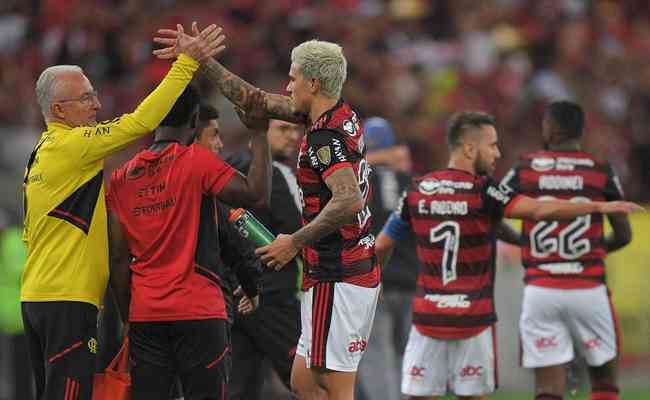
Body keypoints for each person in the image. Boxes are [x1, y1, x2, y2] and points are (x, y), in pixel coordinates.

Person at [154, 29, 382, 399]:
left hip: (339, 271)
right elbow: (255, 101)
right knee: (303, 383)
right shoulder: (340, 115)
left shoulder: (324, 136)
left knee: (333, 383)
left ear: (313, 82)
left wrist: (294, 241)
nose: (287, 86)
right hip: (335, 268)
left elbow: (348, 199)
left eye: (292, 78)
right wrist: (200, 60)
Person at [374, 111, 642, 400]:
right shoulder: (485, 191)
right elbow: (539, 210)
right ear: (469, 148)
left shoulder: (416, 190)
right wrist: (597, 208)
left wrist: (374, 282)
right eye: (492, 145)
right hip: (471, 322)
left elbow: (380, 247)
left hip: (427, 319)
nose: (497, 153)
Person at [21, 23, 226, 400]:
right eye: (85, 99)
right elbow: (141, 122)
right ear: (59, 110)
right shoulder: (72, 146)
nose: (97, 105)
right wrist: (185, 64)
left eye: (94, 94)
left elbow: (30, 233)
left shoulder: (39, 155)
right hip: (68, 302)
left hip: (37, 299)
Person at [106, 81, 270, 399]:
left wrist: (129, 318)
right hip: (200, 313)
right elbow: (256, 194)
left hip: (146, 315)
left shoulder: (120, 178)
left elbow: (118, 260)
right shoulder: (196, 161)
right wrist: (260, 134)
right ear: (195, 121)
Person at [499, 101, 632, 400]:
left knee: (548, 390)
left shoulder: (525, 168)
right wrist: (595, 251)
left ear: (549, 129)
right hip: (589, 288)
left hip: (541, 289)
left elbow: (491, 213)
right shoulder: (600, 170)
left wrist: (525, 243)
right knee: (604, 383)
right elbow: (624, 234)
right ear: (580, 131)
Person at [225, 118, 304, 400]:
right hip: (273, 296)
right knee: (308, 382)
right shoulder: (278, 172)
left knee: (239, 388)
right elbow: (299, 230)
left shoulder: (226, 166)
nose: (293, 136)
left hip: (232, 295)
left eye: (297, 129)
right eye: (284, 129)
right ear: (259, 132)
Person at [355, 117, 417, 400]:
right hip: (410, 283)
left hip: (375, 282)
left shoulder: (358, 180)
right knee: (409, 358)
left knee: (378, 357)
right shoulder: (411, 183)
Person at [0, 210, 34, 400]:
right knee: (15, 370)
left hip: (19, 321)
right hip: (11, 321)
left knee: (20, 371)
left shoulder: (12, 244)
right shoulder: (8, 243)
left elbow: (23, 277)